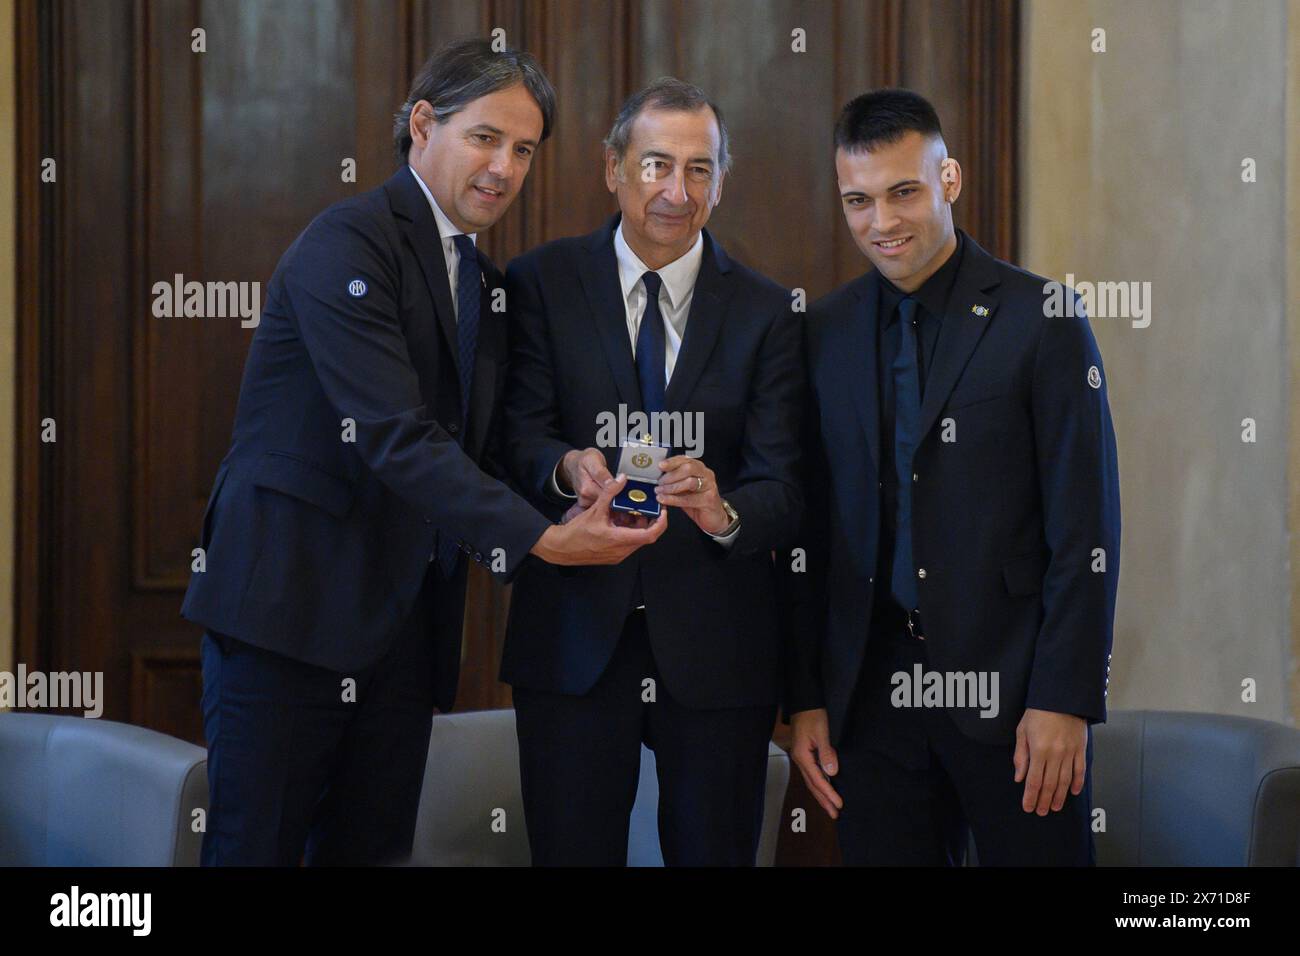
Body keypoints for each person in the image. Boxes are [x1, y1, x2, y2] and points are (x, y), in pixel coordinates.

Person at [181, 38, 664, 866]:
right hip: (289, 619)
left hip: (404, 636)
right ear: (421, 124)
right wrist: (545, 539)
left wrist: (566, 469)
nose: (504, 168)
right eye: (485, 138)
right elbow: (397, 435)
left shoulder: (483, 281)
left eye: (523, 150)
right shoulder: (349, 243)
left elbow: (492, 439)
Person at [785, 88, 1120, 865]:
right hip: (870, 704)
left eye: (904, 191)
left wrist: (1063, 700)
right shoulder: (822, 332)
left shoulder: (1045, 321)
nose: (883, 222)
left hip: (1015, 698)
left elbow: (1088, 529)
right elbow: (809, 537)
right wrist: (805, 696)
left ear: (950, 180)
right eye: (858, 201)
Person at [501, 77, 803, 865]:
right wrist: (568, 468)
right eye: (657, 165)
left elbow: (787, 486)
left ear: (722, 180)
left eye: (700, 169)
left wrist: (722, 510)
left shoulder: (770, 313)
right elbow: (513, 439)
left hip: (718, 651)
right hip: (571, 640)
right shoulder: (540, 284)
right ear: (613, 169)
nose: (677, 190)